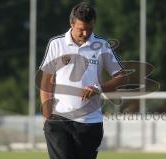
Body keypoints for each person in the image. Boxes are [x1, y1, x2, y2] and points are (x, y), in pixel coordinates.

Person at [39, 2, 127, 159]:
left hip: (90, 123)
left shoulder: (102, 45)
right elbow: (45, 81)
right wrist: (47, 116)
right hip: (59, 120)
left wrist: (99, 88)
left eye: (90, 29)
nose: (86, 33)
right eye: (81, 29)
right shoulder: (56, 44)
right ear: (71, 23)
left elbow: (122, 77)